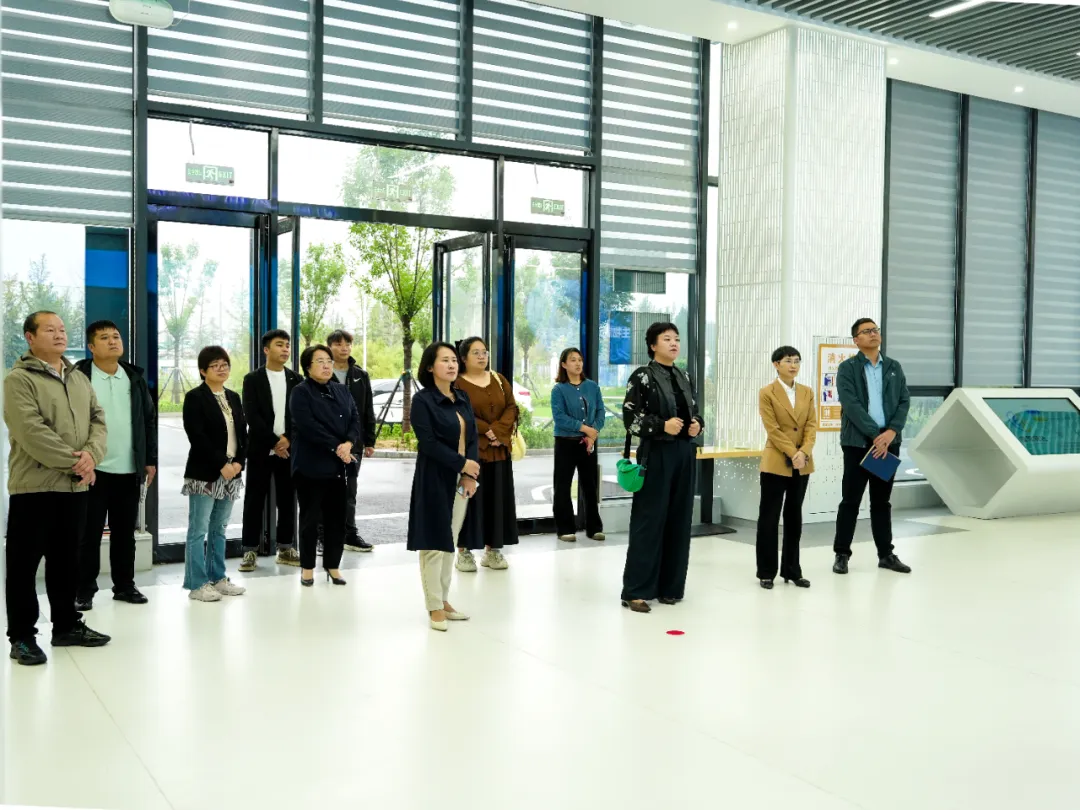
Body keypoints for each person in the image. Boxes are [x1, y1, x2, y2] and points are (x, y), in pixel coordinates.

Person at [5, 311, 111, 666]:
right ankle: (22, 637)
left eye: (62, 329)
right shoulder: (19, 379)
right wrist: (76, 462)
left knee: (67, 562)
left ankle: (66, 626)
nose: (59, 335)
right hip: (34, 487)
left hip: (74, 488)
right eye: (50, 329)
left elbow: (98, 420)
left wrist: (91, 456)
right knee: (23, 566)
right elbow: (30, 431)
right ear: (30, 337)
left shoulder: (77, 377)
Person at [74, 320, 157, 611]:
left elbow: (148, 420)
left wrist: (149, 460)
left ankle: (124, 586)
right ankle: (84, 589)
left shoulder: (133, 377)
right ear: (91, 346)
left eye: (116, 336)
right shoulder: (79, 377)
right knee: (88, 534)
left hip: (128, 469)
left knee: (124, 535)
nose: (112, 341)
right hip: (92, 470)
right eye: (104, 337)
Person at [620, 322, 703, 613]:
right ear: (653, 345)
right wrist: (661, 425)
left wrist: (697, 424)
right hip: (656, 454)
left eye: (676, 338)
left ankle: (670, 587)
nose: (674, 343)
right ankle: (636, 591)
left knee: (680, 520)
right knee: (649, 520)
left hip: (684, 453)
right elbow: (630, 419)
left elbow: (695, 411)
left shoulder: (684, 376)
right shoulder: (642, 376)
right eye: (667, 339)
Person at [406, 343, 481, 632]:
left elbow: (472, 437)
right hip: (434, 477)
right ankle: (433, 604)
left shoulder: (461, 397)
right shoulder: (423, 401)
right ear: (429, 366)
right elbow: (428, 443)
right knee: (434, 543)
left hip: (462, 479)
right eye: (444, 360)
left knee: (450, 540)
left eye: (453, 360)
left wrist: (469, 473)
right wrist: (462, 464)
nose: (451, 365)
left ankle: (444, 599)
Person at [833, 318, 913, 575]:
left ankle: (886, 555)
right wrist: (875, 435)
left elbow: (904, 401)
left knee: (881, 501)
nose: (873, 334)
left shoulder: (893, 367)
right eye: (866, 331)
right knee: (851, 500)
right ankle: (842, 554)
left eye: (875, 330)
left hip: (888, 443)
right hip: (858, 443)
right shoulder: (848, 368)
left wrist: (890, 432)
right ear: (856, 340)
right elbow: (851, 405)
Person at [181, 346, 248, 602]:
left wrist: (239, 463)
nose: (221, 369)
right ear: (202, 371)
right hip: (205, 472)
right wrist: (222, 463)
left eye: (225, 364)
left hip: (232, 472)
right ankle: (197, 584)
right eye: (215, 365)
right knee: (198, 529)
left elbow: (243, 434)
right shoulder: (195, 397)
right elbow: (197, 436)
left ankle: (218, 578)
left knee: (219, 528)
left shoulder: (233, 397)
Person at [290, 344, 359, 587]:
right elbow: (308, 426)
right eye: (320, 361)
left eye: (328, 361)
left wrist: (348, 443)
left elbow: (354, 419)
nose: (326, 365)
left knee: (336, 519)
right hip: (310, 465)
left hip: (338, 466)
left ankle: (333, 565)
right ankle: (307, 568)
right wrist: (337, 447)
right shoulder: (301, 392)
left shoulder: (341, 390)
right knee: (310, 520)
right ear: (308, 368)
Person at [454, 336, 519, 572]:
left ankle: (493, 551)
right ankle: (464, 552)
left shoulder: (498, 379)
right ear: (464, 358)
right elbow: (460, 412)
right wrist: (486, 430)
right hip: (473, 451)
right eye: (476, 353)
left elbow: (511, 407)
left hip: (499, 450)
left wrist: (498, 431)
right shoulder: (457, 383)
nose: (482, 356)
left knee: (497, 500)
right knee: (469, 501)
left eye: (484, 352)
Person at [239, 330, 301, 572]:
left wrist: (289, 440)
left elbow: (300, 415)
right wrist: (276, 442)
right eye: (279, 345)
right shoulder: (252, 379)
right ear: (266, 350)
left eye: (287, 345)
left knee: (287, 501)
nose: (285, 349)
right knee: (254, 500)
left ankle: (285, 548)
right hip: (261, 450)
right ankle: (249, 550)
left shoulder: (296, 379)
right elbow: (251, 416)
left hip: (289, 451)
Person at [756, 346, 817, 590]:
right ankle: (766, 572)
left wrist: (804, 452)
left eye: (797, 361)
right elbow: (772, 429)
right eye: (788, 361)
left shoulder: (807, 392)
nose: (793, 365)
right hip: (776, 461)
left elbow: (811, 425)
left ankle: (792, 570)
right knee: (769, 518)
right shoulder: (767, 392)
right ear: (776, 364)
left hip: (802, 462)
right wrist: (793, 453)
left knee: (794, 516)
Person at [326, 329, 376, 552]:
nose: (344, 348)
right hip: (327, 444)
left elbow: (368, 409)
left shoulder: (360, 375)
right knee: (326, 491)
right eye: (338, 344)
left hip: (354, 442)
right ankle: (323, 536)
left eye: (347, 344)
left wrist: (370, 440)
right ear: (329, 347)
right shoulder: (322, 373)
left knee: (349, 490)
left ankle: (349, 534)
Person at [550, 347, 606, 542]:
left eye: (579, 360)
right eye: (573, 360)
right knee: (563, 486)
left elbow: (600, 412)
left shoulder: (592, 387)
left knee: (590, 486)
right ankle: (565, 529)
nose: (578, 363)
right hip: (565, 443)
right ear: (564, 364)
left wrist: (593, 433)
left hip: (588, 443)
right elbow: (559, 417)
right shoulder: (559, 389)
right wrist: (585, 429)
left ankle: (594, 528)